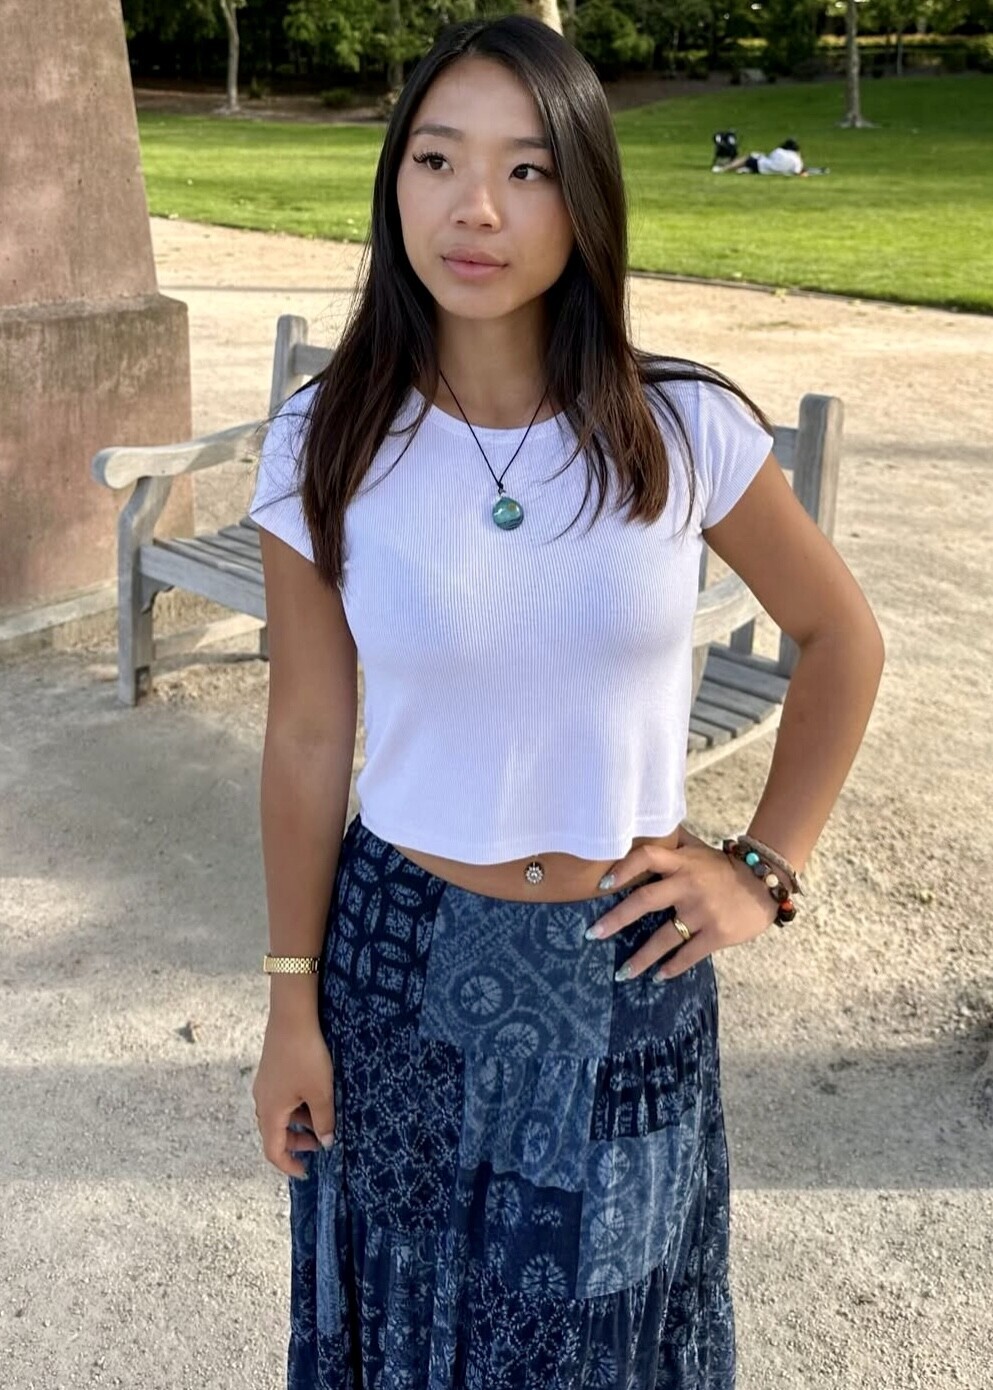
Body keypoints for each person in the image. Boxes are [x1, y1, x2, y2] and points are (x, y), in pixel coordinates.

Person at [248, 15, 883, 1389]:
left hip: (625, 967)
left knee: (610, 1334)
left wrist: (765, 869)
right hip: (399, 963)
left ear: (584, 196)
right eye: (437, 159)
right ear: (395, 184)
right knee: (409, 1324)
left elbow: (841, 637)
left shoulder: (683, 426)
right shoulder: (323, 438)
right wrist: (289, 1003)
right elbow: (305, 734)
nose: (475, 207)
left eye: (527, 169)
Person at [713, 137, 807, 176]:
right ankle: (745, 170)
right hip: (778, 172)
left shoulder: (779, 151)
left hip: (763, 167)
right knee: (753, 160)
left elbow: (770, 158)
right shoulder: (797, 160)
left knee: (746, 159)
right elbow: (798, 171)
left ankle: (724, 169)